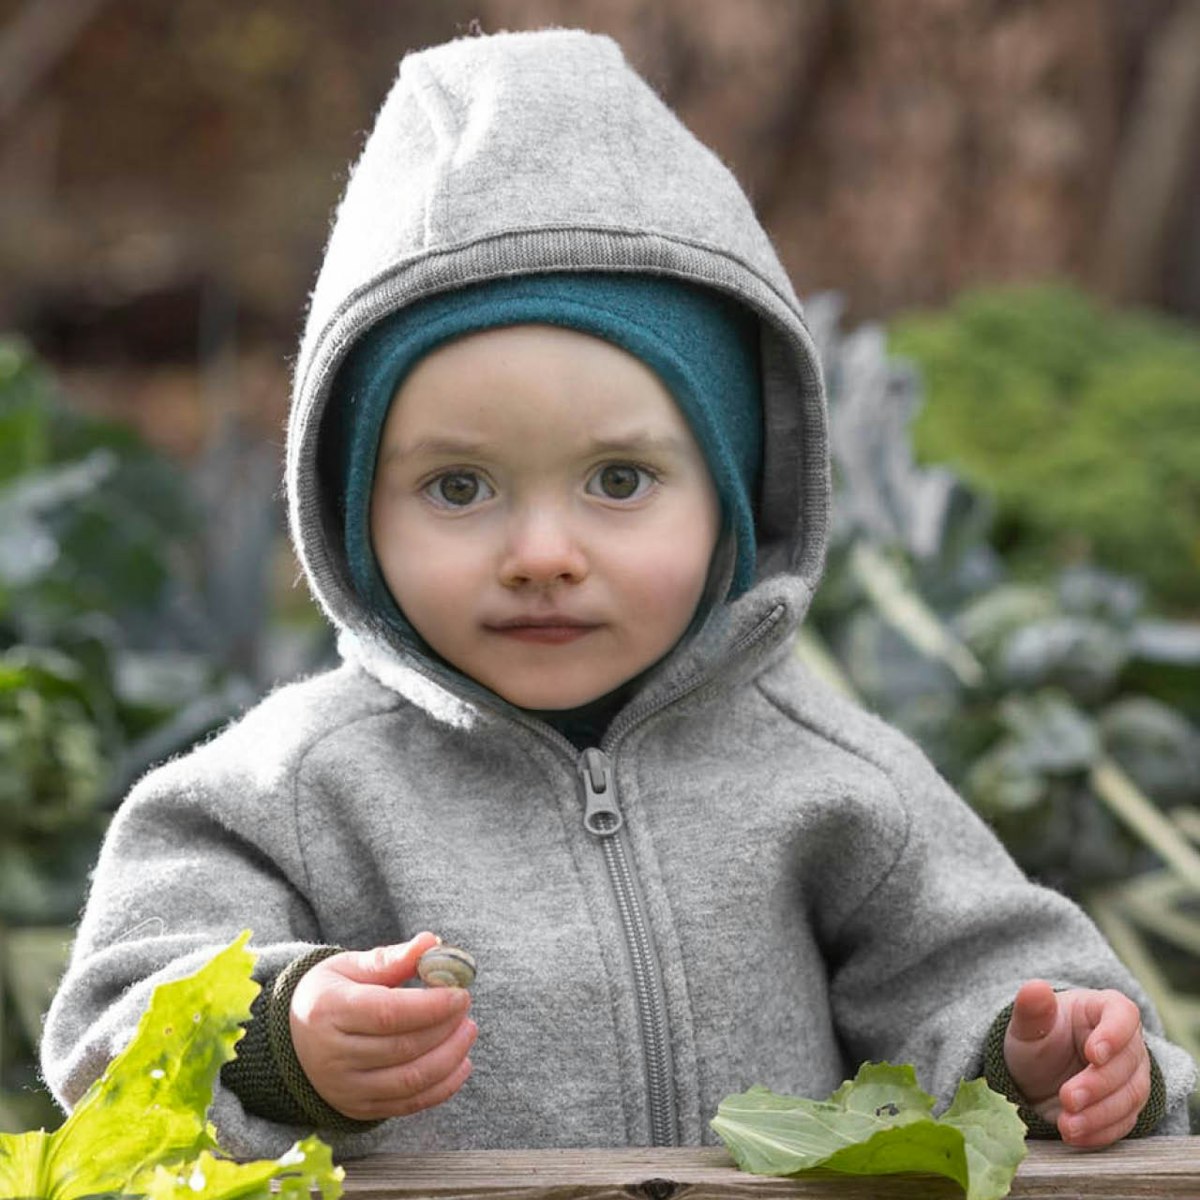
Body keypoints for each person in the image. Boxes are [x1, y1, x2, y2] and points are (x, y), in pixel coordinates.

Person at [42, 28, 1195, 1159]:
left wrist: (1046, 1060)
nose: (542, 551)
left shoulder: (829, 778)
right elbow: (116, 1023)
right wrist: (279, 1041)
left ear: (736, 497)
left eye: (620, 480)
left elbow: (983, 975)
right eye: (457, 486)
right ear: (352, 510)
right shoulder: (295, 788)